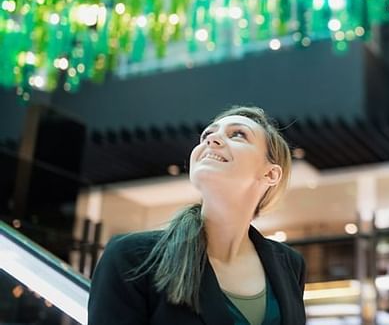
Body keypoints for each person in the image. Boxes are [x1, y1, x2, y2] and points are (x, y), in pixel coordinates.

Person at [88, 106, 306, 325]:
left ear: (270, 174)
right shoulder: (131, 257)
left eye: (238, 134)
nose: (212, 140)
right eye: (207, 135)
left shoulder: (289, 264)